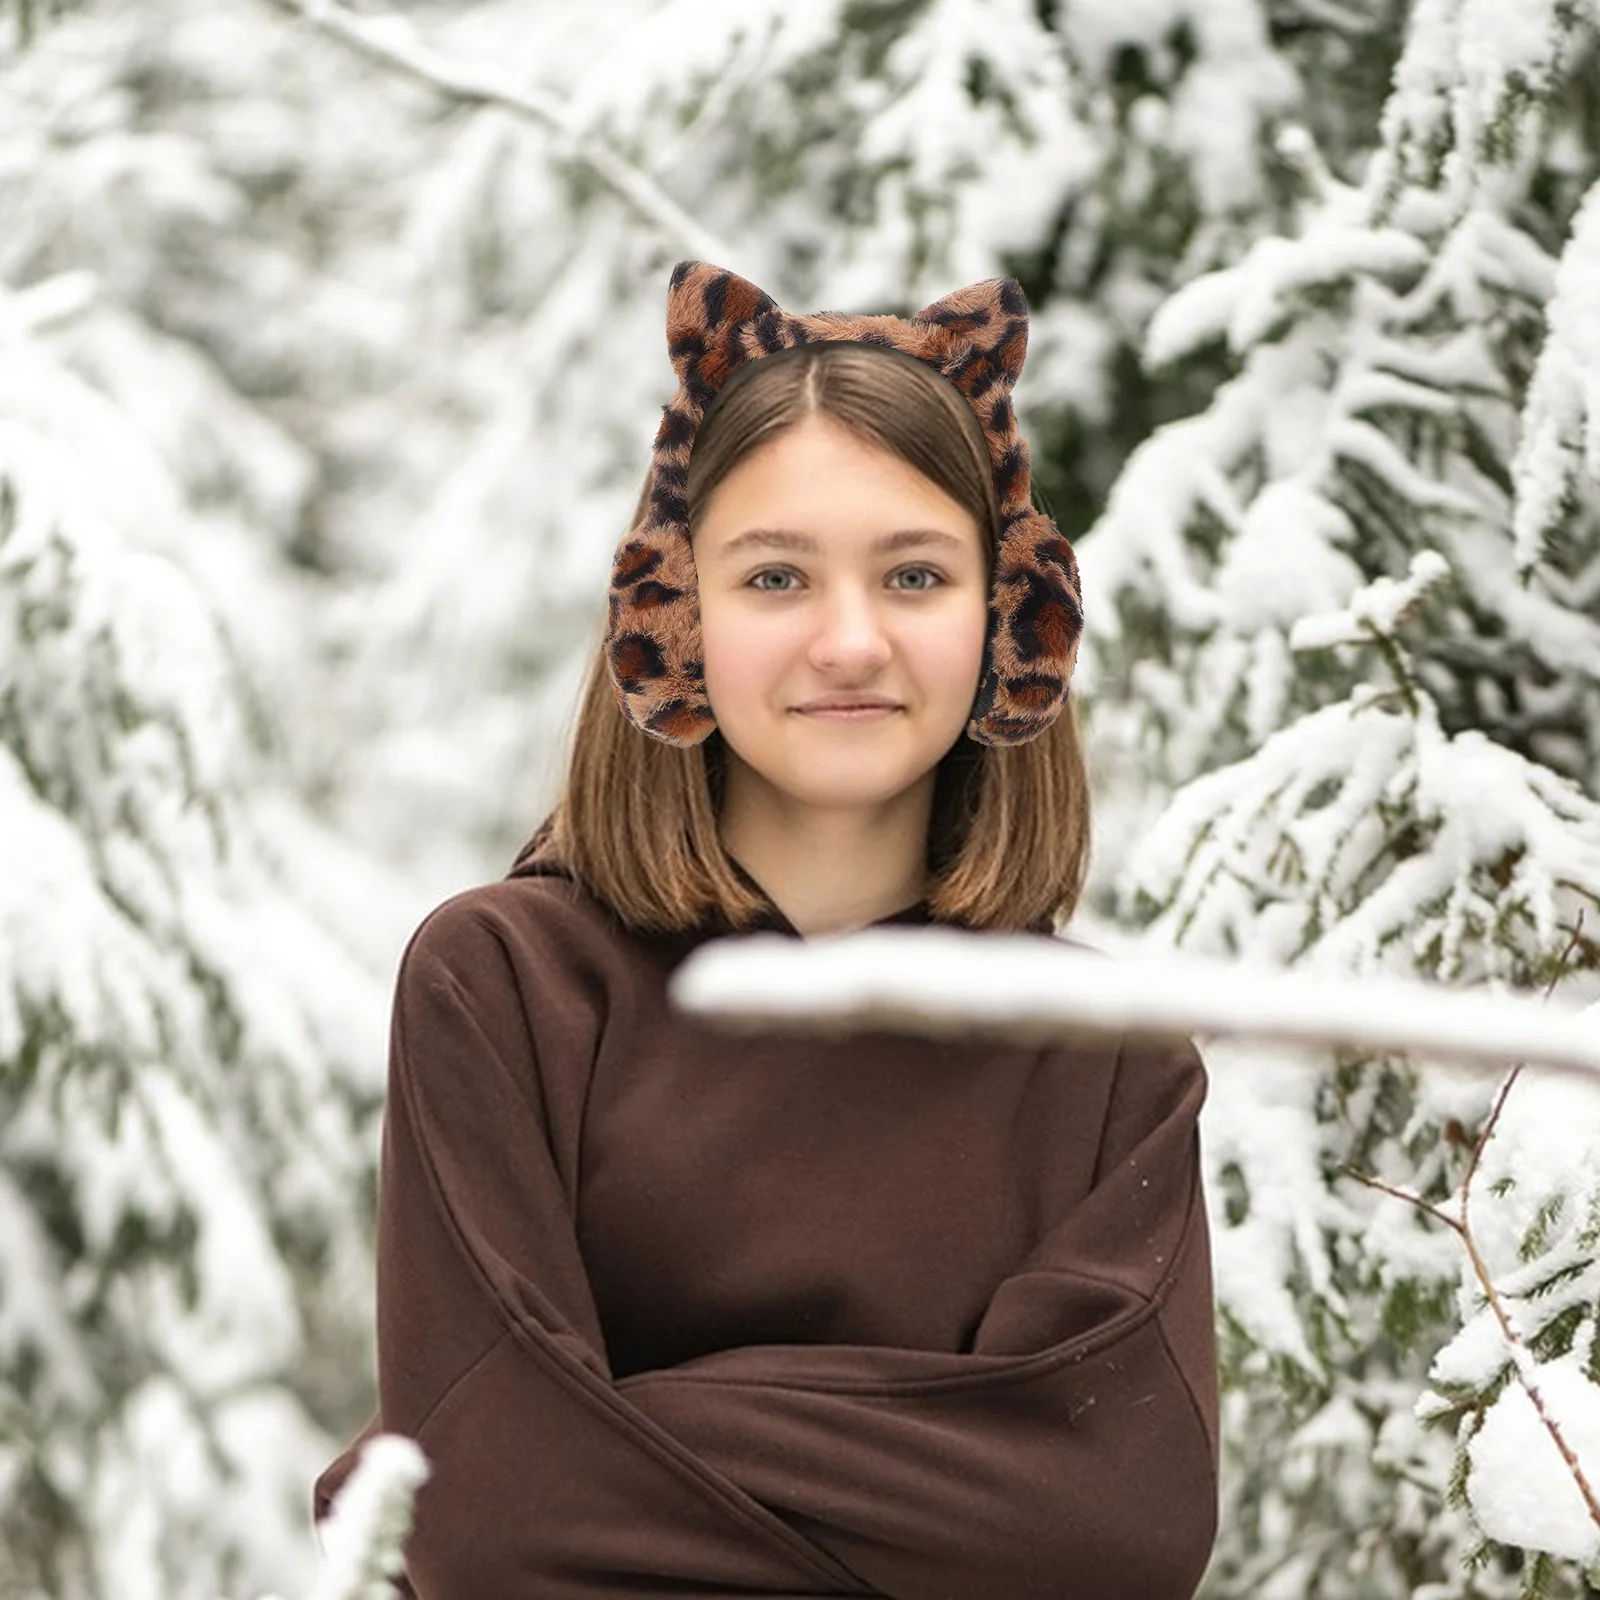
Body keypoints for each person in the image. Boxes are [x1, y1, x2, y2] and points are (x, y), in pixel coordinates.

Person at [312, 261, 1220, 1598]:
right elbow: (483, 1518)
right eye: (777, 577)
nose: (849, 642)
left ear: (1006, 617)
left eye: (914, 575)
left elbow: (1116, 1529)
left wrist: (601, 1429)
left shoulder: (1102, 1054)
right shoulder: (508, 985)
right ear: (671, 618)